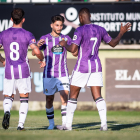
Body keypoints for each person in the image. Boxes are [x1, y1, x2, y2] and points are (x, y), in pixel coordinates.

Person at [57, 8, 131, 131]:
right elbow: (113, 43)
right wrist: (121, 32)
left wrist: (65, 45)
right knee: (98, 96)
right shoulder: (100, 29)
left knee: (73, 96)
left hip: (82, 66)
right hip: (96, 66)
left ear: (80, 17)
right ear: (89, 16)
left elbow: (73, 49)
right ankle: (104, 124)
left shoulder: (80, 30)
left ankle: (68, 126)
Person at [0, 8, 45, 130]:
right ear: (23, 19)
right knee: (24, 98)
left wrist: (3, 60)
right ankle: (20, 125)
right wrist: (42, 58)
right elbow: (36, 50)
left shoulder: (3, 34)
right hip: (23, 70)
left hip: (9, 70)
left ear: (11, 19)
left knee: (8, 96)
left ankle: (7, 112)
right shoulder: (27, 34)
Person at [32, 15, 72, 130]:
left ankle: (64, 124)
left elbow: (74, 50)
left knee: (65, 97)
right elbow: (34, 54)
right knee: (49, 99)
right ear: (52, 25)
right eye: (57, 25)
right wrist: (38, 47)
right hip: (49, 75)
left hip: (63, 73)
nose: (59, 28)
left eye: (61, 25)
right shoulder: (45, 38)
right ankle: (51, 124)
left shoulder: (66, 38)